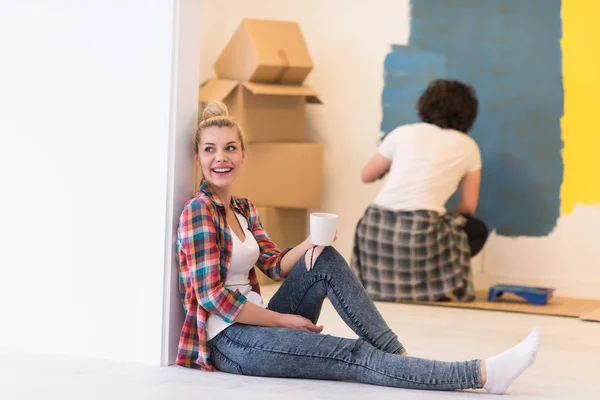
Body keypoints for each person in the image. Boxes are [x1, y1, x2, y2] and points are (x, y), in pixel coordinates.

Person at [175, 100, 539, 394]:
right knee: (352, 354)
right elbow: (213, 299)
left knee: (324, 257)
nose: (220, 157)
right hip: (231, 341)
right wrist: (282, 320)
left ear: (243, 155)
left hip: (260, 323)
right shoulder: (198, 212)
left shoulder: (243, 208)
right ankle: (481, 374)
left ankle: (398, 357)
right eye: (210, 150)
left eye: (229, 148)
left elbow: (274, 265)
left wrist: (312, 243)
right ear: (198, 159)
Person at [352, 79, 489, 303]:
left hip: (374, 228)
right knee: (476, 229)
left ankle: (386, 284)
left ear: (426, 105)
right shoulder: (468, 146)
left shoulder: (402, 133)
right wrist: (445, 221)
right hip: (420, 233)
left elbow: (366, 175)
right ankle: (430, 284)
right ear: (468, 114)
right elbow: (468, 207)